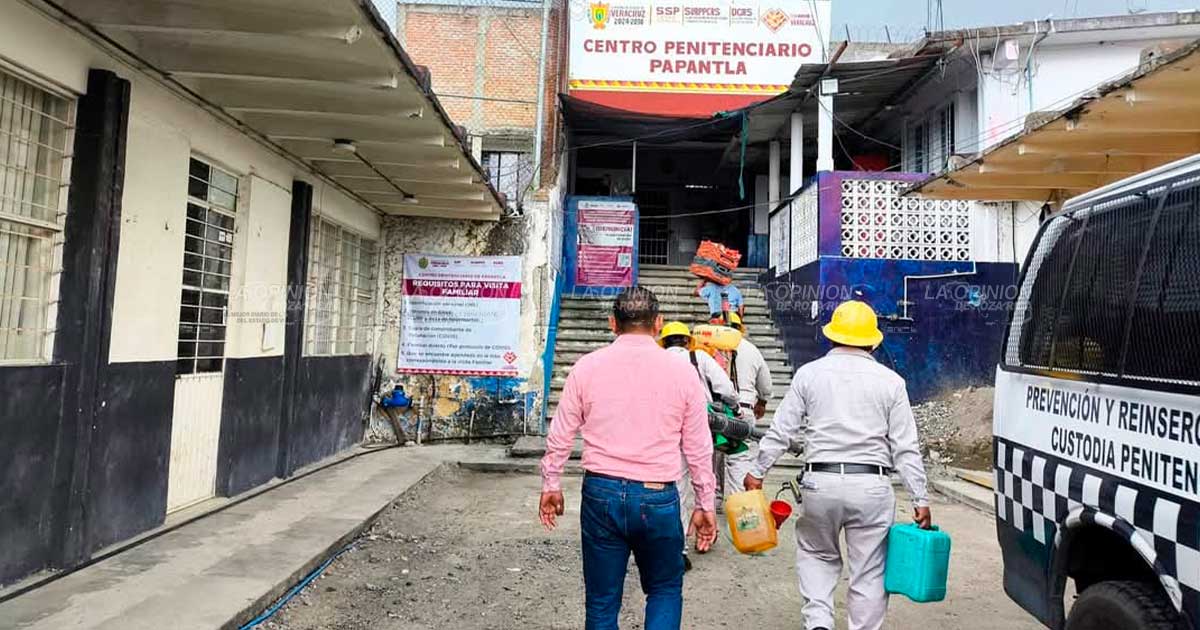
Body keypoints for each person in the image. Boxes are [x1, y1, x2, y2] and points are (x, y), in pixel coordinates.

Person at [744, 300, 932, 630]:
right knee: (869, 570)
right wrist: (920, 498)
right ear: (873, 342)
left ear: (831, 336)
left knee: (817, 554)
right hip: (871, 487)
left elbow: (782, 430)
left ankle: (819, 622)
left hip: (821, 483)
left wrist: (758, 471)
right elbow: (905, 448)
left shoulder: (809, 374)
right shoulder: (891, 382)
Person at [539, 287, 718, 630]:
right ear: (658, 323)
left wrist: (551, 482)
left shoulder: (586, 367)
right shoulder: (683, 373)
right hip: (658, 495)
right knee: (664, 589)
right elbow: (698, 446)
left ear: (613, 323)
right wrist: (705, 503)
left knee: (602, 602)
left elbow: (561, 431)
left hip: (601, 493)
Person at [658, 321, 738, 570]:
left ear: (664, 342)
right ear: (687, 341)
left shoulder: (657, 361)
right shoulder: (699, 358)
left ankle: (677, 548)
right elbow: (726, 389)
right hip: (699, 424)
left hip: (666, 429)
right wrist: (734, 406)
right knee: (704, 477)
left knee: (677, 486)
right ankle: (705, 514)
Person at [723, 312, 773, 502]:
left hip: (718, 410)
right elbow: (765, 383)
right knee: (740, 457)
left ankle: (716, 500)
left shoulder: (712, 348)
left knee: (714, 457)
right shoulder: (751, 349)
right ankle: (741, 503)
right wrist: (763, 401)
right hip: (745, 408)